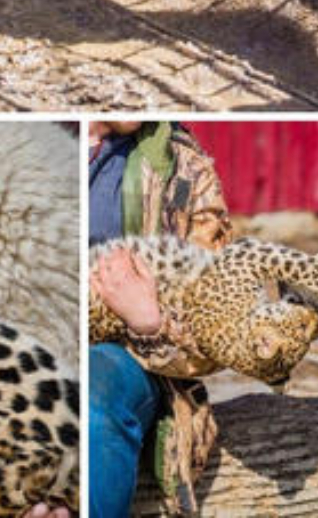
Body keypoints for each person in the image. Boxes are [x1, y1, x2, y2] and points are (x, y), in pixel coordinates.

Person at [89, 121, 231, 518]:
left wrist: (151, 321)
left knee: (94, 401)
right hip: (36, 353)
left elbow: (219, 328)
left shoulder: (183, 168)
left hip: (126, 357)